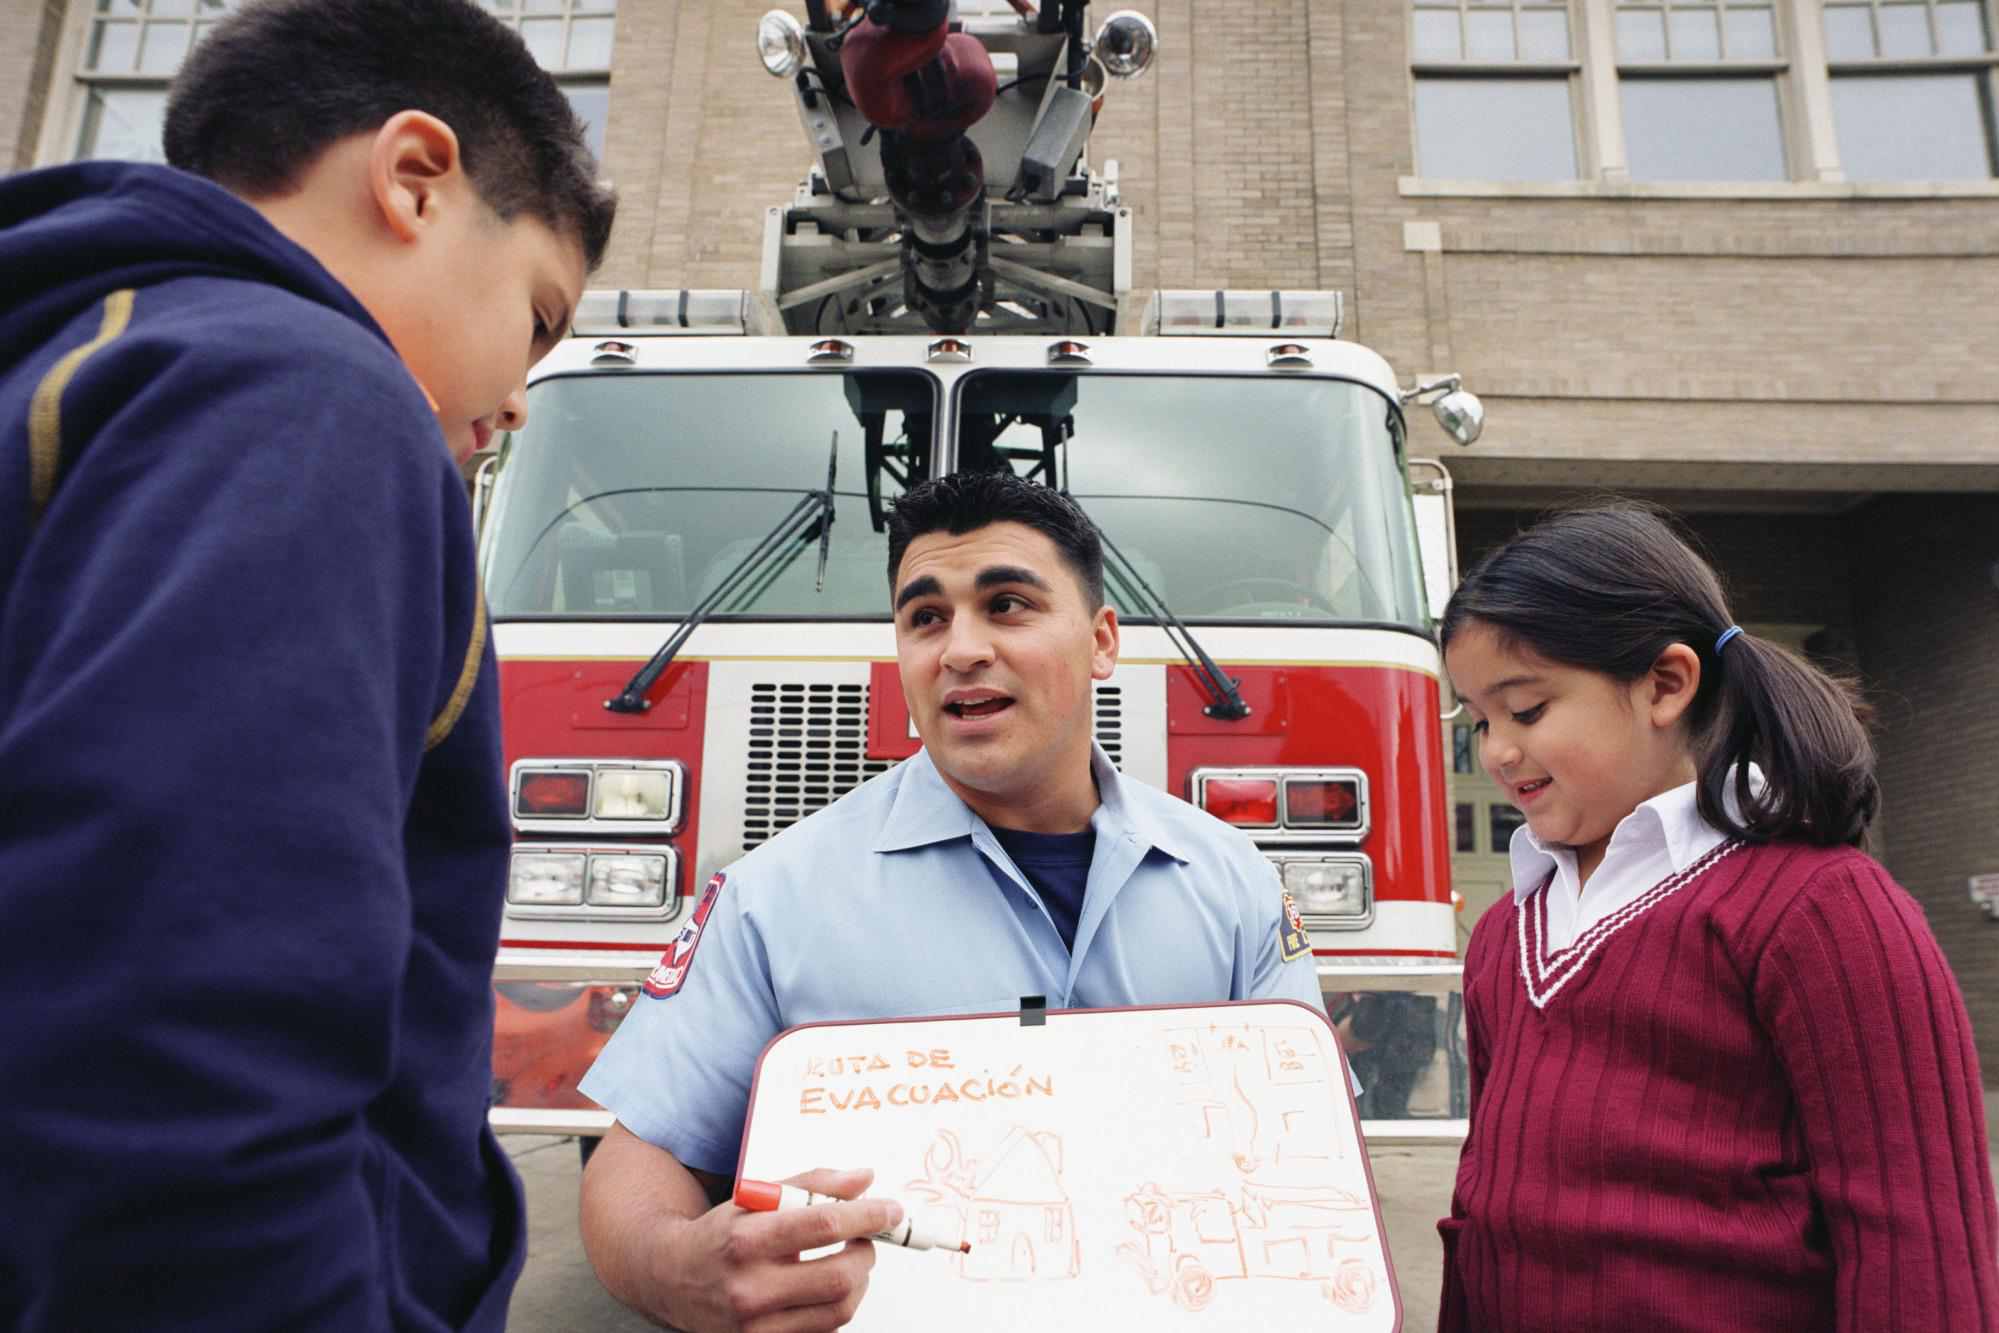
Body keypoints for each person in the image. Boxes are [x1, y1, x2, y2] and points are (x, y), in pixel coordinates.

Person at [0, 1, 615, 1328]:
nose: (516, 399)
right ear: (413, 180)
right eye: (539, 315)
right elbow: (180, 1028)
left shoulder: (76, 362)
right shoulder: (304, 393)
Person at [578, 470, 1326, 1331]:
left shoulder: (1234, 883)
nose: (960, 648)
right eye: (925, 617)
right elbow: (635, 1162)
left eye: (1006, 604)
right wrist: (673, 1265)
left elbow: (1308, 1147)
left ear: (1102, 639)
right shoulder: (772, 896)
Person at [1435, 503, 1998, 1331]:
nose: (1495, 752)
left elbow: (1918, 1241)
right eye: (1479, 720)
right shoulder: (1502, 933)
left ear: (1666, 683)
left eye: (1525, 711)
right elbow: (1481, 1203)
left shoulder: (1823, 908)